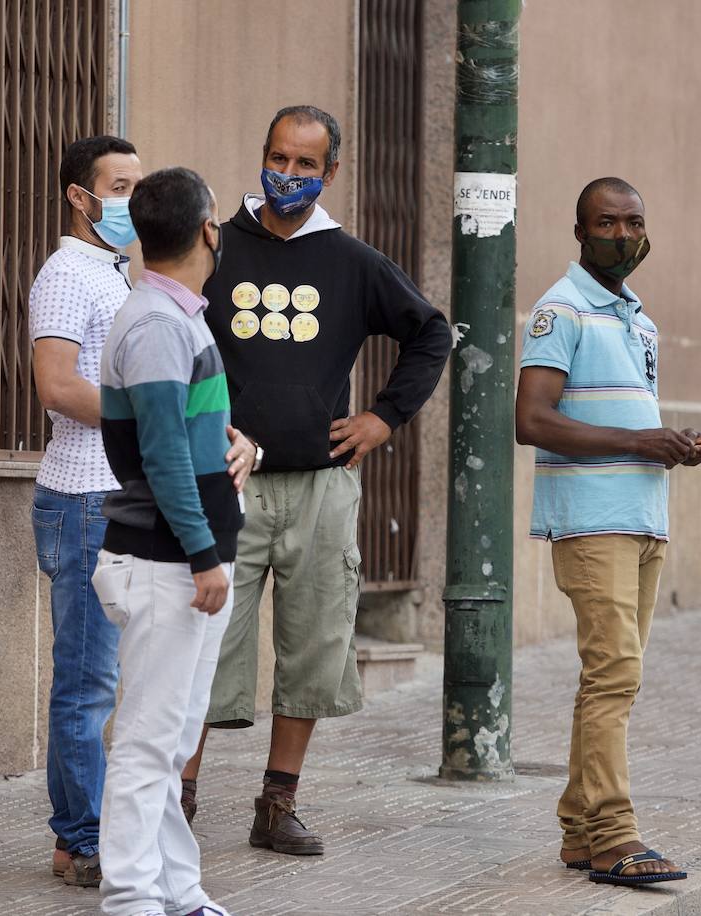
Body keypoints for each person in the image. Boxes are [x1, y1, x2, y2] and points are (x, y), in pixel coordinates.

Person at [182, 105, 450, 856]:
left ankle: (277, 804)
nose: (288, 175)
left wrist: (384, 418)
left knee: (313, 647)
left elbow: (430, 332)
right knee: (204, 646)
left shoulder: (352, 260)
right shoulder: (216, 246)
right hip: (225, 485)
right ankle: (181, 799)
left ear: (331, 172)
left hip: (322, 488)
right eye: (278, 157)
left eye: (306, 165)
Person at [513, 177, 701, 888]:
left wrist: (672, 443)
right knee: (615, 674)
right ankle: (615, 835)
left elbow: (627, 415)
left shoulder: (637, 317)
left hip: (641, 519)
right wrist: (638, 443)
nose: (624, 235)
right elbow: (531, 420)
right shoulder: (560, 310)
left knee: (615, 681)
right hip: (592, 521)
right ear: (580, 231)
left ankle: (579, 829)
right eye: (608, 223)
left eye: (634, 222)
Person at [93, 166, 250, 916]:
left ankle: (178, 890)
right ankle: (130, 897)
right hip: (166, 563)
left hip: (184, 562)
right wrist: (204, 556)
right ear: (208, 231)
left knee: (174, 737)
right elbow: (159, 454)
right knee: (149, 743)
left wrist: (236, 441)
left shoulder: (179, 315)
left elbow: (188, 433)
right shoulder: (158, 323)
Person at [29, 134, 142, 888]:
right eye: (120, 186)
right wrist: (150, 414)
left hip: (119, 495)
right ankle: (82, 837)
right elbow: (58, 386)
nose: (133, 200)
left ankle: (84, 837)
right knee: (87, 681)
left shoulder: (116, 273)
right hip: (84, 496)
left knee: (109, 679)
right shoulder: (68, 273)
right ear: (79, 194)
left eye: (139, 185)